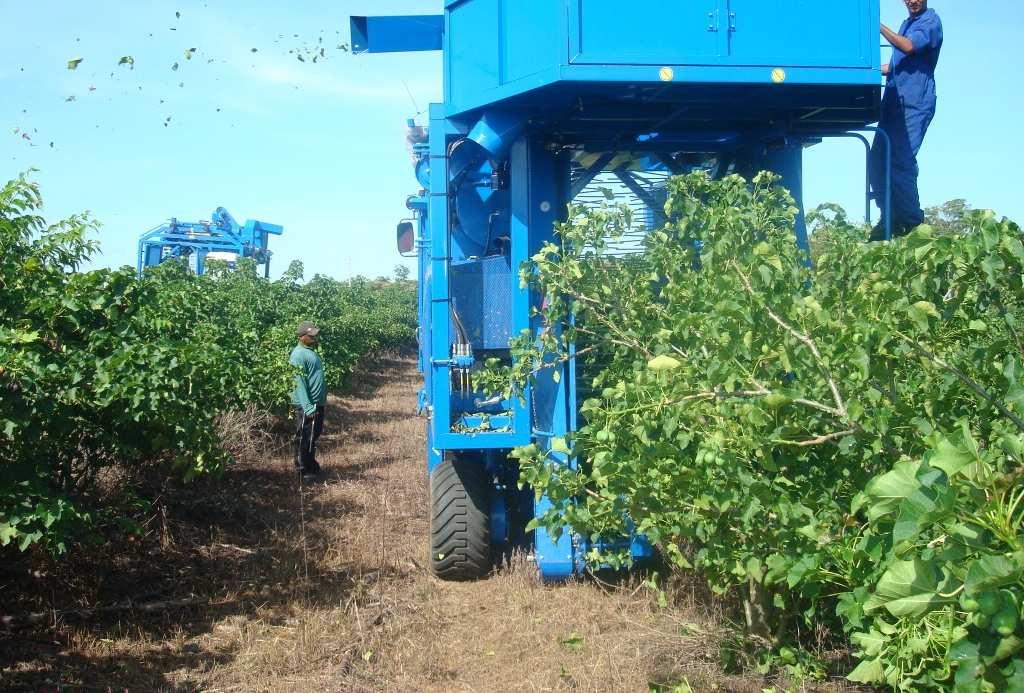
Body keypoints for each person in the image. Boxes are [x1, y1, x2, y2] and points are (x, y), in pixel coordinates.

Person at [869, 0, 943, 241]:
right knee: (878, 159)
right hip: (892, 104)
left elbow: (909, 46)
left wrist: (875, 24)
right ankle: (888, 216)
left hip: (913, 105)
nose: (912, 1)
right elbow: (894, 66)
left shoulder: (930, 21)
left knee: (901, 160)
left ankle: (912, 223)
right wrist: (863, 69)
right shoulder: (906, 23)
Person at [290, 321, 327, 481]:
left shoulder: (310, 351)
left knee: (313, 435)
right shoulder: (298, 354)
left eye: (315, 335)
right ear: (302, 336)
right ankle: (304, 470)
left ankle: (311, 465)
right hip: (307, 405)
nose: (315, 337)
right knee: (305, 437)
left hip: (316, 403)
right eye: (311, 335)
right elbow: (298, 382)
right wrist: (307, 407)